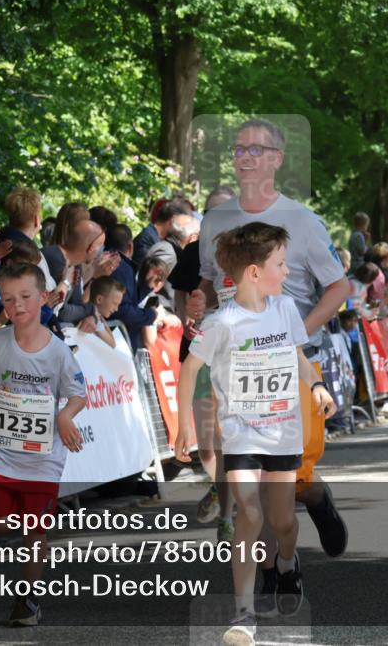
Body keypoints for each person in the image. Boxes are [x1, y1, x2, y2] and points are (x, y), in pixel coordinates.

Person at [188, 118, 350, 573]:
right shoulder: (215, 220)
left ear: (277, 160)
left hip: (289, 368)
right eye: (239, 149)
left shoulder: (302, 221)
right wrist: (199, 302)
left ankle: (316, 496)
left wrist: (298, 330)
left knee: (293, 481)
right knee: (251, 485)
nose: (245, 157)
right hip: (234, 370)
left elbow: (339, 288)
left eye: (256, 150)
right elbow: (209, 281)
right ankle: (272, 574)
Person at [173, 223, 336, 643]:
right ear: (253, 272)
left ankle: (286, 563)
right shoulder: (222, 322)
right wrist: (183, 427)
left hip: (282, 433)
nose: (286, 271)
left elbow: (296, 355)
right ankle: (243, 614)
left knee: (282, 522)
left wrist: (316, 385)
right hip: (242, 434)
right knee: (250, 513)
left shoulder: (284, 308)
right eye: (280, 264)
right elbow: (189, 369)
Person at [0, 263, 87, 626]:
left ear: (44, 298)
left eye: (25, 297)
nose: (16, 305)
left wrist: (65, 416)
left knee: (35, 530)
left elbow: (78, 395)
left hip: (44, 456)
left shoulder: (58, 352)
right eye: (8, 299)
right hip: (3, 452)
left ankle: (29, 600)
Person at [168, 185, 236, 540]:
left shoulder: (244, 253)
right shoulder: (193, 251)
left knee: (227, 438)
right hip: (198, 347)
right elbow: (180, 296)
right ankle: (218, 485)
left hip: (236, 353)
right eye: (210, 213)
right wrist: (186, 318)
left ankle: (227, 513)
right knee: (206, 444)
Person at [105, 223, 159, 352]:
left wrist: (146, 287)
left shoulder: (107, 261)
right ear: (130, 246)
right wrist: (151, 314)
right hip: (117, 342)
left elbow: (127, 299)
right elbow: (123, 309)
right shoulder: (121, 267)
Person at [131, 197, 193, 268]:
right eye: (184, 225)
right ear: (173, 220)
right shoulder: (146, 241)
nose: (185, 231)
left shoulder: (156, 239)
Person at [87, 276, 125, 348]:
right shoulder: (93, 318)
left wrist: (102, 320)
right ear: (99, 299)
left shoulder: (98, 317)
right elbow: (112, 344)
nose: (116, 309)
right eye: (114, 303)